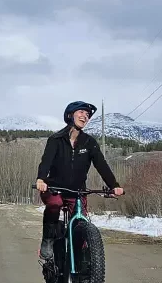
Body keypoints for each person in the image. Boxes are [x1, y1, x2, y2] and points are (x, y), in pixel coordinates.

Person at [35, 101, 124, 260]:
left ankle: (82, 263)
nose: (85, 116)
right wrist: (41, 179)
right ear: (70, 115)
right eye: (81, 112)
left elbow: (101, 165)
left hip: (77, 191)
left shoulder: (89, 142)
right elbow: (46, 161)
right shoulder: (56, 139)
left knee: (81, 223)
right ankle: (47, 241)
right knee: (54, 204)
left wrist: (114, 186)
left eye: (88, 115)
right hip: (54, 189)